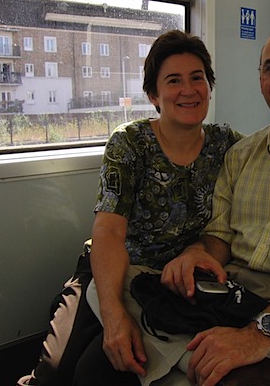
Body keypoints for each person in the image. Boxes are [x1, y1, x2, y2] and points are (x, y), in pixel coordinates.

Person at [81, 25, 270, 386]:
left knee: (192, 377)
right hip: (237, 290)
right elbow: (221, 236)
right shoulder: (242, 154)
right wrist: (199, 253)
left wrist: (257, 336)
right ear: (260, 80)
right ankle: (198, 361)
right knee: (107, 289)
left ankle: (200, 364)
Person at [17, 29, 242, 386]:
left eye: (197, 78)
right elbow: (108, 233)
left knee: (108, 371)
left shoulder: (227, 145)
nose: (189, 89)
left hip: (172, 283)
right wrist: (114, 314)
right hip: (111, 270)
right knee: (56, 372)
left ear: (209, 87)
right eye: (173, 80)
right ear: (154, 95)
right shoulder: (131, 143)